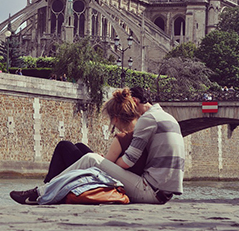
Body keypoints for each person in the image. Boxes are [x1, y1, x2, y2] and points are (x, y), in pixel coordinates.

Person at [10, 87, 184, 205]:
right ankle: (46, 190)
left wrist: (106, 165)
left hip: (151, 190)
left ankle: (40, 193)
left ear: (136, 101)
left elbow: (129, 160)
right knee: (91, 159)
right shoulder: (167, 117)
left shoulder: (148, 119)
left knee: (91, 159)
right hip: (163, 191)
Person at [43, 88, 147, 184]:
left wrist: (103, 159)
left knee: (63, 146)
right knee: (80, 146)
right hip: (129, 176)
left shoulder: (121, 138)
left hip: (106, 179)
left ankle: (48, 184)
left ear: (115, 118)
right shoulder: (142, 132)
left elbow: (105, 167)